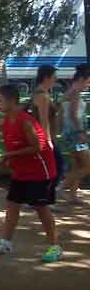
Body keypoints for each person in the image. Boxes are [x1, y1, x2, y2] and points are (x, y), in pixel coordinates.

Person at [0, 84, 61, 263]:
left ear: (11, 101)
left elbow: (37, 147)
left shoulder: (24, 120)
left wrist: (9, 156)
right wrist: (8, 162)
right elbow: (13, 148)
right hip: (22, 172)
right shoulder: (5, 122)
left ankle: (55, 246)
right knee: (12, 204)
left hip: (41, 172)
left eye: (0, 101)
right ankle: (5, 243)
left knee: (41, 208)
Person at [28, 65, 63, 187]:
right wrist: (47, 141)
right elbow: (44, 120)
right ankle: (44, 198)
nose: (56, 80)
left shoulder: (42, 94)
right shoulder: (42, 96)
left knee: (51, 168)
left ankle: (39, 199)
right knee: (56, 167)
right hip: (45, 139)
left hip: (45, 137)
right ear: (46, 78)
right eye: (54, 77)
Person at [60, 64, 90, 205]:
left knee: (77, 165)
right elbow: (73, 115)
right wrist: (81, 132)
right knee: (87, 166)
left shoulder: (69, 91)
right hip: (75, 134)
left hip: (69, 133)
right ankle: (59, 188)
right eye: (88, 81)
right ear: (81, 79)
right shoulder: (75, 92)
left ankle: (72, 195)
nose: (88, 85)